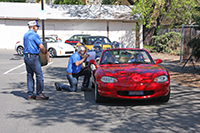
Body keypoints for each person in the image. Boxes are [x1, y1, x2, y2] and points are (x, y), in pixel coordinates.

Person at [23, 20, 49, 100]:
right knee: (39, 75)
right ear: (33, 27)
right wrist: (44, 52)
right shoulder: (34, 35)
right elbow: (41, 46)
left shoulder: (25, 35)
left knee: (30, 75)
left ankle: (30, 94)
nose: (37, 28)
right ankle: (39, 93)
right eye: (36, 27)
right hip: (33, 56)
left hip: (26, 56)